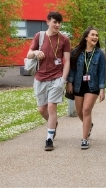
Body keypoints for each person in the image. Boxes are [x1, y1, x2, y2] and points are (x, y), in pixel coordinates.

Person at [26, 11, 71, 151]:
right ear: (48, 22)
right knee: (42, 109)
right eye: (55, 22)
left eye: (59, 22)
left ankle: (49, 138)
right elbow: (28, 54)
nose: (57, 25)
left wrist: (63, 79)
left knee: (52, 107)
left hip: (56, 78)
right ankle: (53, 124)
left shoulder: (64, 39)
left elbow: (67, 61)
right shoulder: (39, 36)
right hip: (40, 78)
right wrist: (35, 53)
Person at [66, 27, 106, 149]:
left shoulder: (99, 54)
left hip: (92, 86)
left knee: (86, 110)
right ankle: (89, 125)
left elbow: (101, 73)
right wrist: (69, 82)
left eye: (96, 35)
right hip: (78, 85)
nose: (95, 37)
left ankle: (84, 139)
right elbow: (72, 69)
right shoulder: (76, 51)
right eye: (93, 35)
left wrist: (102, 89)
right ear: (86, 37)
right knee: (79, 112)